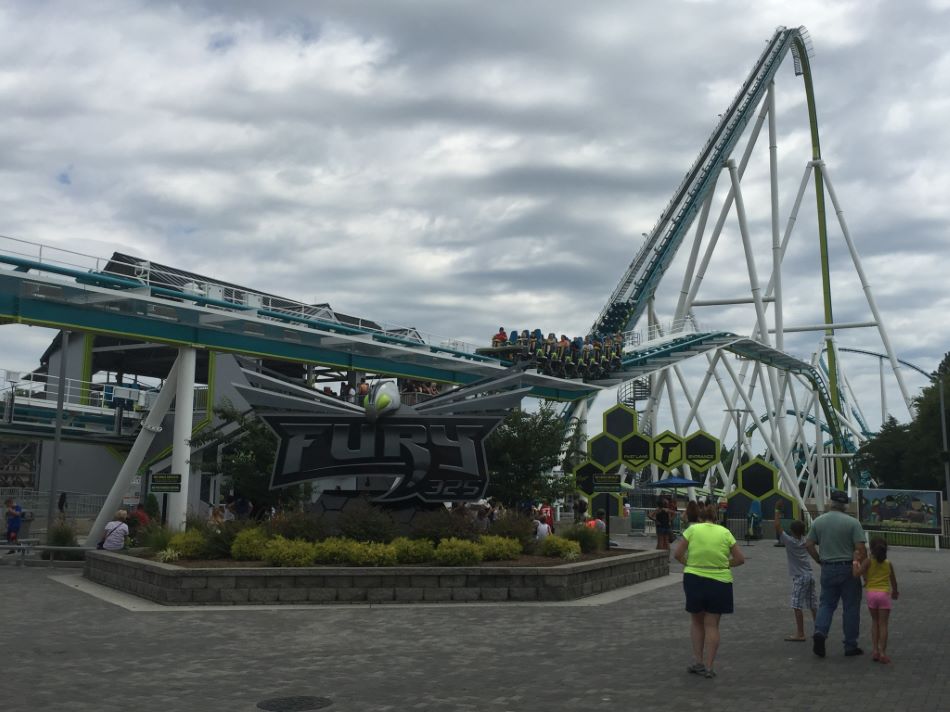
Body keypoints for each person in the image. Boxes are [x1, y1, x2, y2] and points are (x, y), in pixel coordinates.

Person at [674, 504, 745, 679]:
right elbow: (740, 559)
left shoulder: (692, 530)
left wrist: (690, 564)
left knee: (697, 622)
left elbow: (677, 554)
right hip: (720, 581)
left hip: (694, 579)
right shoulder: (725, 533)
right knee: (712, 625)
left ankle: (698, 661)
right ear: (716, 518)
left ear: (700, 518)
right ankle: (709, 666)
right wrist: (725, 564)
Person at [805, 489, 868, 658]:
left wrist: (819, 559)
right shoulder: (853, 523)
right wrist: (864, 573)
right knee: (851, 607)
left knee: (826, 604)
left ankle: (820, 631)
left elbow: (809, 544)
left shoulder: (819, 521)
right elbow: (861, 549)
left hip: (828, 567)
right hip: (849, 569)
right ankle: (850, 645)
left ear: (830, 502)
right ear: (845, 505)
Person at [773, 502, 817, 642]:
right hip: (809, 575)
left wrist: (777, 510)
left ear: (792, 531)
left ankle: (800, 633)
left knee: (797, 605)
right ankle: (819, 629)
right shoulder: (805, 540)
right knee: (812, 604)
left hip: (799, 577)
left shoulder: (790, 541)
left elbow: (778, 527)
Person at [856, 537, 899, 663]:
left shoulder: (868, 562)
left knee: (875, 622)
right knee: (884, 624)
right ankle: (882, 652)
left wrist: (855, 561)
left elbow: (857, 573)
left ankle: (874, 650)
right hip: (884, 594)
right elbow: (894, 581)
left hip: (871, 594)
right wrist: (895, 592)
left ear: (872, 549)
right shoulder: (888, 563)